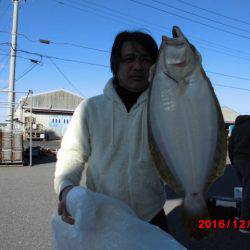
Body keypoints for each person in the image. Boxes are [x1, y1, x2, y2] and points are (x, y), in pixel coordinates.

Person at [54, 31, 169, 233]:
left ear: (155, 66)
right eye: (129, 59)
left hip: (152, 216)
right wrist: (66, 188)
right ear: (116, 65)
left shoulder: (166, 108)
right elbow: (72, 154)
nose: (138, 66)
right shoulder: (90, 108)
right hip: (100, 215)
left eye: (145, 59)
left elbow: (183, 152)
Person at [228, 115, 250, 234]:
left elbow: (230, 146)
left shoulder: (237, 128)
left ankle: (240, 214)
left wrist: (232, 162)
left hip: (237, 161)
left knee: (245, 191)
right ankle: (245, 225)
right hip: (248, 161)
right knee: (248, 193)